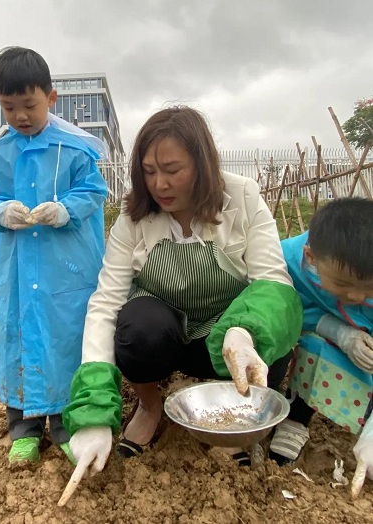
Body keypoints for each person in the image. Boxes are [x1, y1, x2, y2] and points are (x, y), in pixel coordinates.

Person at [61, 106, 303, 479]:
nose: (160, 185)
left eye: (173, 170)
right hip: (165, 334)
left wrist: (243, 332)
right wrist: (92, 413)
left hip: (224, 338)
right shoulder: (135, 216)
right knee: (137, 327)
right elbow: (106, 301)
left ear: (202, 165)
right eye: (150, 171)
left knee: (273, 342)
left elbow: (273, 282)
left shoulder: (243, 198)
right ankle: (150, 406)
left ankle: (236, 414)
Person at [0, 46, 108, 465]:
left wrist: (66, 208)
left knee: (64, 343)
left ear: (51, 98)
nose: (20, 116)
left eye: (29, 105)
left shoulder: (74, 151)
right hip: (16, 270)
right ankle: (23, 429)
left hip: (63, 271)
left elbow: (94, 191)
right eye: (9, 107)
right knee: (19, 341)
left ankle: (66, 426)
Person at [269, 198, 373, 495]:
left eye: (369, 288)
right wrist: (337, 331)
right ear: (311, 257)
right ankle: (296, 418)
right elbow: (280, 306)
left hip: (365, 351)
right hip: (308, 337)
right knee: (302, 340)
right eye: (342, 284)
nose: (355, 295)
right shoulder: (286, 260)